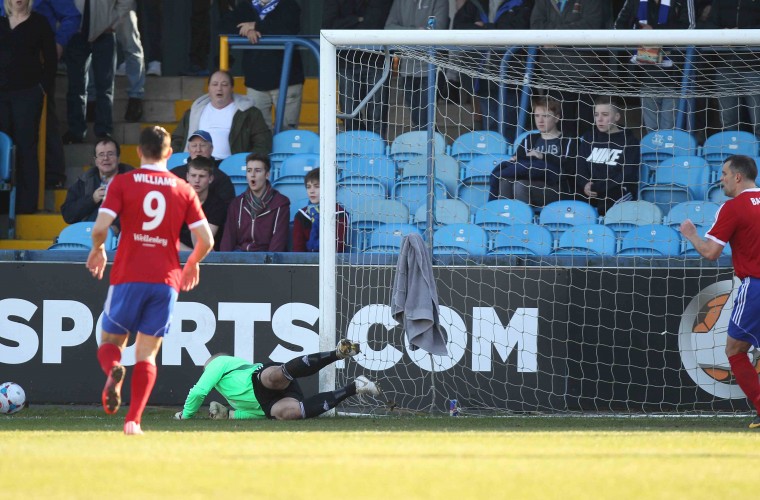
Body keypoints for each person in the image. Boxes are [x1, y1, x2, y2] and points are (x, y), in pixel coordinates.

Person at [86, 126, 213, 435]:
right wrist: (192, 263)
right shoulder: (182, 188)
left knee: (111, 343)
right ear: (170, 154)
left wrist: (99, 249)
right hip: (165, 279)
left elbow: (100, 227)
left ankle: (113, 370)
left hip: (129, 274)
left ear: (139, 152)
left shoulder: (123, 182)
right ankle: (133, 422)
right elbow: (206, 239)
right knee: (147, 353)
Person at [679, 155, 760, 428]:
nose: (721, 178)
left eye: (724, 173)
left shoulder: (733, 207)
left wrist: (691, 234)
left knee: (735, 350)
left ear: (738, 177)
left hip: (756, 286)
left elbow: (712, 253)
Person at [173, 339, 380, 421]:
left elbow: (199, 392)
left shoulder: (219, 363)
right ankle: (356, 387)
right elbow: (259, 414)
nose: (205, 371)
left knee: (273, 378)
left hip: (258, 379)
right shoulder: (231, 395)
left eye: (205, 368)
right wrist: (230, 415)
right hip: (268, 403)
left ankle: (337, 354)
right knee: (287, 413)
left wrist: (185, 415)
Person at [0, 0, 81, 188]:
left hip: (36, 68)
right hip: (6, 78)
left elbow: (72, 16)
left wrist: (59, 44)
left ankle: (53, 175)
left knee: (44, 123)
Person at [0, 0, 56, 214]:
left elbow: (50, 61)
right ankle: (3, 205)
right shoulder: (1, 23)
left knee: (26, 146)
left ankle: (26, 205)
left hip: (27, 94)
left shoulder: (39, 23)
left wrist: (41, 88)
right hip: (1, 96)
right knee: (2, 148)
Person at [452, 0, 534, 142]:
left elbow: (518, 29)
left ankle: (511, 160)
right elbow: (459, 26)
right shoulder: (475, 3)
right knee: (490, 124)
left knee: (511, 124)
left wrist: (484, 28)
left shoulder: (522, 2)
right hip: (482, 74)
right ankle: (492, 159)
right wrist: (493, 29)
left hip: (511, 76)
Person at [219, 0, 304, 132]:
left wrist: (256, 26)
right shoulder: (246, 6)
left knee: (287, 133)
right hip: (256, 82)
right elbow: (224, 25)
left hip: (288, 81)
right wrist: (246, 31)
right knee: (259, 132)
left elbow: (289, 27)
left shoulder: (288, 4)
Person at [530, 0, 610, 138]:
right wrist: (566, 33)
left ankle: (587, 159)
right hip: (554, 73)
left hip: (587, 73)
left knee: (589, 125)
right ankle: (564, 159)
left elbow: (590, 26)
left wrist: (554, 37)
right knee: (560, 125)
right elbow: (536, 25)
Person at [614, 0, 696, 132]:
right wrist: (639, 37)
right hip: (645, 74)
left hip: (673, 77)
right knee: (652, 132)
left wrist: (655, 32)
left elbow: (690, 27)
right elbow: (618, 27)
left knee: (670, 130)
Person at [322, 0, 393, 138]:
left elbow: (375, 23)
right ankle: (356, 150)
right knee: (348, 113)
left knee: (376, 115)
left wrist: (348, 22)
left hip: (376, 60)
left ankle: (376, 153)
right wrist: (358, 19)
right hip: (346, 60)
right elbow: (328, 25)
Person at [62, 0, 129, 144]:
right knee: (76, 85)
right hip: (75, 33)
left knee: (105, 86)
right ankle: (76, 131)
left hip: (105, 33)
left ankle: (104, 130)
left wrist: (114, 23)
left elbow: (125, 2)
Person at [489, 95, 572, 207]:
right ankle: (502, 218)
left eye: (545, 116)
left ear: (557, 118)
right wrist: (514, 160)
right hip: (529, 181)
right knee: (505, 181)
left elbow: (571, 169)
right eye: (537, 116)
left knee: (520, 185)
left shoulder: (568, 141)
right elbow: (518, 164)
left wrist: (543, 157)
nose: (540, 120)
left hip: (556, 188)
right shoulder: (529, 139)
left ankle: (522, 222)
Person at [171, 70, 272, 160]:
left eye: (224, 84)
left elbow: (262, 142)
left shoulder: (249, 113)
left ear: (232, 88)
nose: (219, 88)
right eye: (214, 84)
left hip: (233, 167)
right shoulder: (193, 113)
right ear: (208, 88)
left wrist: (248, 162)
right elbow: (177, 139)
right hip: (197, 167)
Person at [568, 96, 640, 215]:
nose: (599, 119)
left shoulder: (630, 141)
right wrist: (585, 183)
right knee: (569, 207)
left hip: (617, 191)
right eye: (596, 115)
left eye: (605, 115)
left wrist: (600, 187)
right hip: (591, 190)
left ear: (616, 117)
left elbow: (627, 174)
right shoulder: (589, 138)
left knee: (606, 207)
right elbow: (580, 166)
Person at [384, 0, 449, 131]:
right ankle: (424, 148)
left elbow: (437, 30)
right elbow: (389, 28)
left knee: (426, 119)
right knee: (416, 118)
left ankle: (430, 149)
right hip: (407, 67)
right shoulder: (399, 2)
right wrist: (416, 31)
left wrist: (405, 37)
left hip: (431, 67)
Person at [700, 1, 760, 137]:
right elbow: (708, 25)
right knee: (727, 119)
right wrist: (723, 33)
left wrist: (742, 34)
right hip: (725, 65)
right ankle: (731, 153)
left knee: (758, 120)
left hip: (754, 66)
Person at [220, 152, 289, 252]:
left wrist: (269, 266)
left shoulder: (280, 203)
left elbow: (278, 242)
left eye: (257, 171)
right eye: (249, 171)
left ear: (267, 175)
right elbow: (228, 239)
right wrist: (225, 262)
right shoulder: (237, 203)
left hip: (265, 259)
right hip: (240, 257)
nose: (252, 175)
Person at [60, 137, 133, 229]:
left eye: (110, 154)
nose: (106, 158)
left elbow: (140, 212)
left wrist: (117, 227)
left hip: (122, 238)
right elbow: (68, 215)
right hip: (88, 237)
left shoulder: (134, 180)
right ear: (96, 161)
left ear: (118, 158)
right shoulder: (85, 181)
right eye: (101, 155)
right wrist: (92, 199)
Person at [169, 130, 236, 206]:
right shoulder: (175, 174)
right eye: (194, 146)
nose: (198, 150)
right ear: (188, 149)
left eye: (203, 145)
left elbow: (227, 208)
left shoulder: (222, 178)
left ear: (211, 149)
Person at [291, 168, 348, 253]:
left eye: (317, 186)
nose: (311, 191)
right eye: (308, 187)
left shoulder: (339, 214)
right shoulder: (301, 215)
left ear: (328, 188)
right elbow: (298, 249)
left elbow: (338, 247)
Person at [180, 156, 226, 251]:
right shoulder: (178, 202)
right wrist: (192, 255)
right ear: (187, 176)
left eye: (202, 176)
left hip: (208, 258)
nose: (197, 180)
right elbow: (169, 239)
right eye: (193, 175)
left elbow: (202, 242)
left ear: (210, 179)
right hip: (180, 255)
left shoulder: (217, 205)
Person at [114, 0, 145, 123]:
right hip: (95, 8)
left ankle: (135, 98)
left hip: (122, 7)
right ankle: (91, 99)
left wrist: (117, 15)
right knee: (91, 50)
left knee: (132, 48)